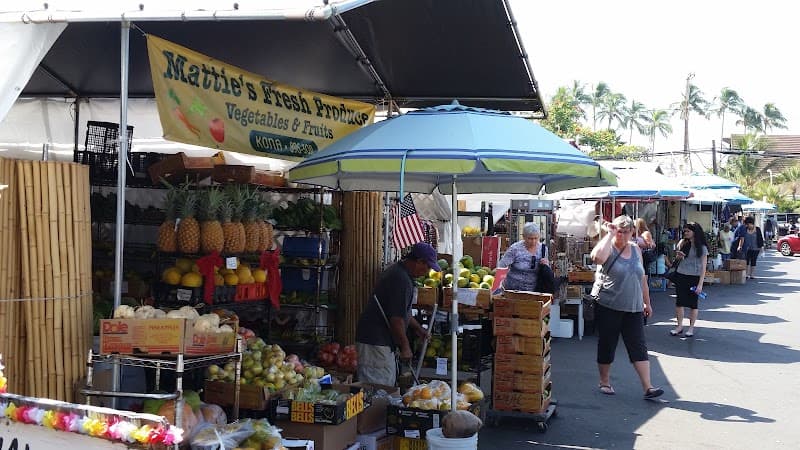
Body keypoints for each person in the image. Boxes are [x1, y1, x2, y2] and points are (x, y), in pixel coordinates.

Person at [590, 215, 663, 399]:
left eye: (625, 232)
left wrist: (647, 302)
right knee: (608, 344)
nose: (621, 235)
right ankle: (604, 381)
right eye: (618, 231)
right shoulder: (608, 247)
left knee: (638, 346)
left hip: (634, 307)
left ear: (632, 232)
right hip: (609, 305)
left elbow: (642, 278)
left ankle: (648, 387)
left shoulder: (636, 249)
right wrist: (609, 235)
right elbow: (597, 258)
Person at [355, 242, 439, 386]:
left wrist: (418, 328)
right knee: (378, 387)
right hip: (376, 341)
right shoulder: (401, 279)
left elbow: (402, 311)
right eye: (428, 267)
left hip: (379, 340)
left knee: (383, 386)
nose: (427, 272)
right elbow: (396, 319)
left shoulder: (400, 273)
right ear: (419, 261)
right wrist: (405, 347)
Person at [670, 222, 708, 337]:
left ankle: (691, 328)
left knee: (693, 304)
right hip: (681, 274)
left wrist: (700, 284)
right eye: (685, 231)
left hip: (694, 277)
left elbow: (703, 267)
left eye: (688, 231)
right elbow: (677, 259)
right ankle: (679, 326)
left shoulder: (702, 248)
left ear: (695, 232)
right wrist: (678, 256)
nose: (685, 233)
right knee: (679, 302)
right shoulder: (683, 243)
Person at [497, 222, 549, 291]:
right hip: (513, 289)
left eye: (536, 238)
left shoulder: (543, 249)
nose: (533, 241)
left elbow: (546, 269)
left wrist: (546, 264)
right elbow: (501, 265)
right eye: (530, 238)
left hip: (534, 290)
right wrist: (498, 285)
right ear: (524, 237)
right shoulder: (515, 249)